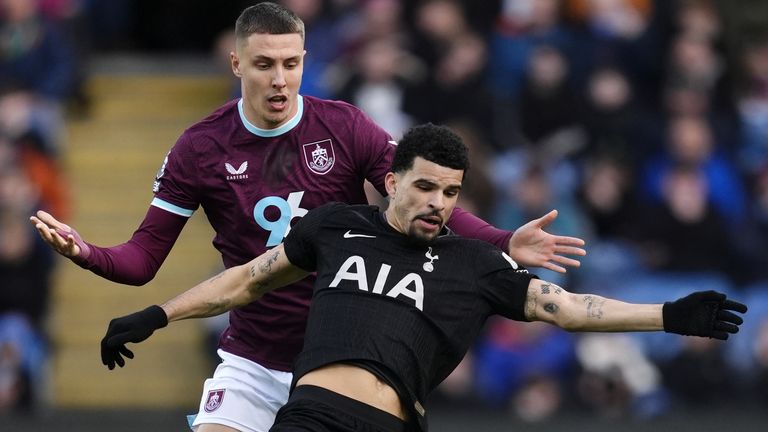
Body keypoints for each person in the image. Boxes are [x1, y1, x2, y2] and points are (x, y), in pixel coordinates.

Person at [28, 3, 586, 432]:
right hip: (253, 354)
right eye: (265, 64)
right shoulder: (200, 147)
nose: (279, 79)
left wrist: (503, 240)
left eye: (291, 64)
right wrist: (88, 253)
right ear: (236, 63)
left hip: (341, 360)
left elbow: (424, 202)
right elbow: (142, 259)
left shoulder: (344, 126)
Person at [101, 123, 747, 432]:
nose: (440, 202)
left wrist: (667, 315)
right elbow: (246, 281)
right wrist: (155, 315)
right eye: (426, 186)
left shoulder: (475, 263)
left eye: (452, 192)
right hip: (314, 417)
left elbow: (570, 308)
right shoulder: (336, 226)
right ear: (392, 182)